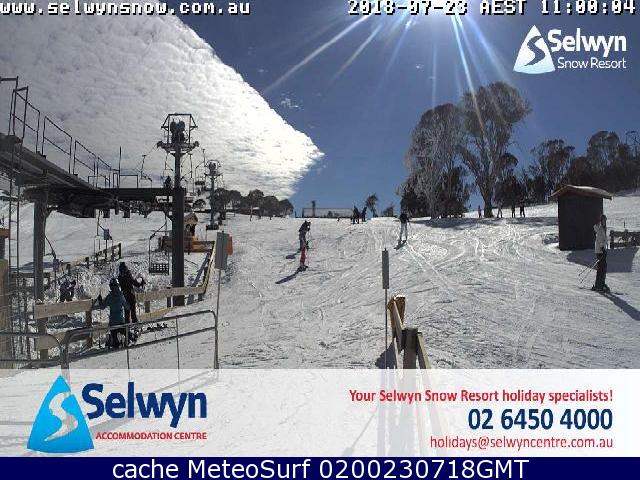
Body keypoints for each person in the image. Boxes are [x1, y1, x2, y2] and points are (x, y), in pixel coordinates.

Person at [97, 278, 130, 349]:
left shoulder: (109, 297)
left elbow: (102, 307)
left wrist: (100, 300)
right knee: (126, 332)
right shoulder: (121, 295)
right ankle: (126, 339)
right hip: (121, 321)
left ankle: (115, 342)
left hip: (113, 322)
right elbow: (126, 307)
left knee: (114, 335)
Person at [592, 214, 610, 292]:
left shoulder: (603, 228)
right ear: (601, 221)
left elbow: (604, 240)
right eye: (603, 220)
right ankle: (598, 285)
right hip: (600, 251)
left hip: (602, 251)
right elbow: (599, 240)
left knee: (603, 268)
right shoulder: (600, 229)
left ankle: (601, 283)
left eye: (605, 220)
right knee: (601, 268)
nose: (604, 222)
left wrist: (604, 249)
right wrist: (602, 248)